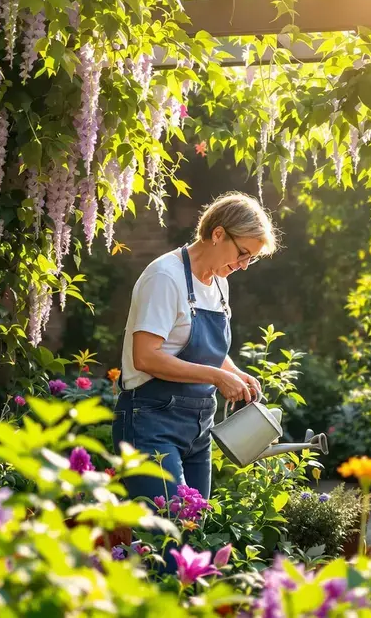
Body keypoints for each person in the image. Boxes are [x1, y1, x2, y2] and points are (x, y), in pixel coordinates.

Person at [114, 192, 278, 506]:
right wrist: (216, 377)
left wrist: (234, 373)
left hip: (199, 425)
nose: (243, 266)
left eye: (250, 259)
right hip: (151, 420)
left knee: (193, 532)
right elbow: (145, 356)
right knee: (167, 534)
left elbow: (195, 344)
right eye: (242, 253)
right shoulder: (165, 277)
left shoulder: (218, 282)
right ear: (218, 234)